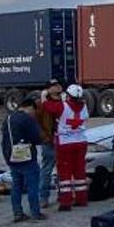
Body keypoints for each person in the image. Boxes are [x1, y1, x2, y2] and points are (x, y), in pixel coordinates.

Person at [2, 96, 46, 222]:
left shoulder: (9, 118)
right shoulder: (27, 119)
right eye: (34, 111)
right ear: (30, 107)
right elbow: (36, 138)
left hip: (11, 156)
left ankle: (17, 213)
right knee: (33, 185)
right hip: (25, 156)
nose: (34, 114)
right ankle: (35, 212)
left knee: (16, 186)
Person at [54, 84, 90, 211]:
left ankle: (65, 202)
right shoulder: (84, 106)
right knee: (80, 171)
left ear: (68, 95)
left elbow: (48, 107)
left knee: (65, 174)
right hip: (81, 141)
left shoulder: (62, 106)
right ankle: (82, 199)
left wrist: (44, 96)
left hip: (65, 142)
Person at [37, 80, 63, 208]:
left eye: (58, 84)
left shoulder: (63, 102)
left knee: (62, 170)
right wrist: (45, 137)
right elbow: (37, 122)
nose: (57, 87)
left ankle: (62, 194)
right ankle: (43, 197)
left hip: (63, 141)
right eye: (53, 86)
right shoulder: (41, 104)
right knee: (47, 170)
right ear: (48, 89)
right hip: (49, 142)